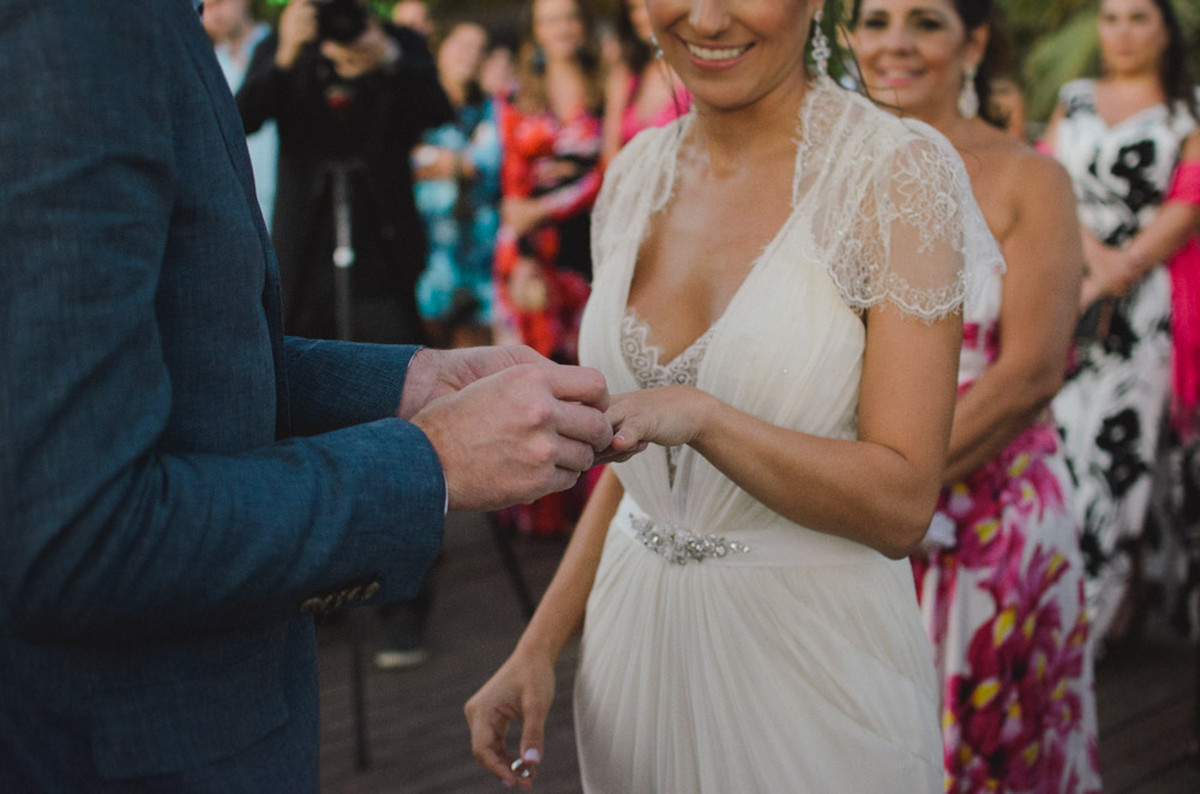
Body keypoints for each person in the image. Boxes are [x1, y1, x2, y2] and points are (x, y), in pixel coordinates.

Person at [0, 1, 615, 789]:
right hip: (127, 749)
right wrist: (434, 461)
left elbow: (176, 357)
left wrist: (404, 383)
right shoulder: (80, 24)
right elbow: (76, 531)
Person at [465, 0, 1004, 789]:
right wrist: (540, 643)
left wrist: (708, 420)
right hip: (632, 646)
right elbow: (634, 467)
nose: (708, 18)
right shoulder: (634, 175)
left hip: (810, 666)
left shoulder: (895, 174)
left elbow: (900, 505)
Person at [848, 1, 1101, 790]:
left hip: (990, 516)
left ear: (975, 42)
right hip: (855, 513)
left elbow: (1031, 373)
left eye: (925, 22)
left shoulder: (1032, 178)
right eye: (876, 19)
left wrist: (893, 483)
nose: (895, 43)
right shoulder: (826, 171)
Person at [1039, 0, 1200, 652]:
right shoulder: (1073, 99)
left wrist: (1116, 270)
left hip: (1143, 306)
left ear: (1166, 30)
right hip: (1066, 290)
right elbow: (1045, 178)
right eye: (1111, 17)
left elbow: (1188, 203)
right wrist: (1090, 260)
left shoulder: (1187, 110)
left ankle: (1089, 627)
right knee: (1062, 446)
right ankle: (1080, 602)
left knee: (1117, 454)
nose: (1123, 31)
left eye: (1139, 17)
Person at [237, 0, 452, 345]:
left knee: (393, 365)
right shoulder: (286, 41)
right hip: (305, 249)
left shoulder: (398, 42)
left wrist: (389, 59)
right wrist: (285, 58)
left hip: (384, 249)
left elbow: (438, 111)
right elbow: (241, 119)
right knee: (300, 365)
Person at [491, 0, 606, 537]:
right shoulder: (516, 93)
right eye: (549, 20)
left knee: (586, 372)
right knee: (534, 371)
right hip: (534, 251)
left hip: (588, 248)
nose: (560, 28)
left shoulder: (605, 85)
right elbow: (513, 185)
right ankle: (539, 507)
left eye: (568, 18)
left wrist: (548, 204)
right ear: (535, 31)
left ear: (581, 26)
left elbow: (607, 170)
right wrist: (521, 259)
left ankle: (590, 506)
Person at [412, 20, 503, 349]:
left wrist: (431, 161)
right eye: (463, 44)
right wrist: (453, 164)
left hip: (480, 263)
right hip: (427, 261)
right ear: (440, 49)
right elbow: (396, 158)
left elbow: (485, 165)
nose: (471, 54)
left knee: (476, 371)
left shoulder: (493, 109)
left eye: (480, 49)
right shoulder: (415, 105)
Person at [203, 0, 279, 230]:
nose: (214, 12)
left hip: (285, 208)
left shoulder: (283, 50)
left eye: (219, 2)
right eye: (205, 6)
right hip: (233, 218)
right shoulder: (205, 66)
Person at [599, 0, 691, 165]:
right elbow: (610, 151)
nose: (642, 16)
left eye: (648, 5)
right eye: (635, 8)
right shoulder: (627, 74)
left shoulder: (695, 71)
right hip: (628, 186)